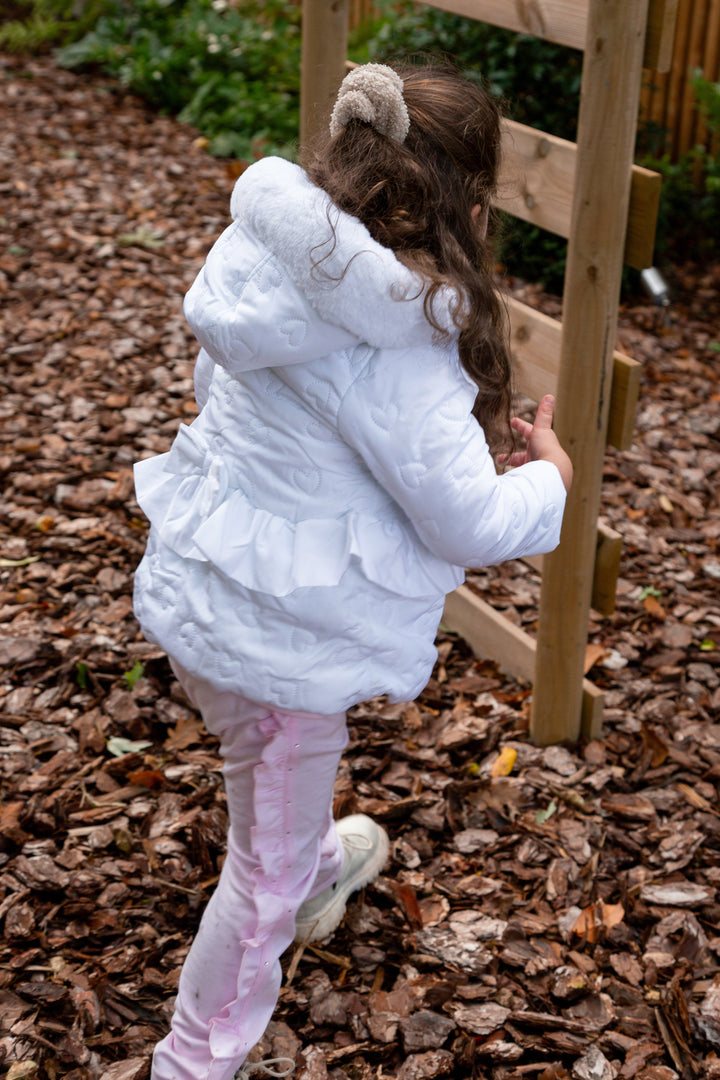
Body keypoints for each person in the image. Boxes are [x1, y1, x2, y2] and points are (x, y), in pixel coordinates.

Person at [132, 61, 572, 1080]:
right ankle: (193, 1058)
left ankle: (318, 863)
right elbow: (463, 519)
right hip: (274, 641)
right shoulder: (405, 346)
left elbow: (243, 392)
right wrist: (546, 482)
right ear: (464, 204)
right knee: (262, 872)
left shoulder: (266, 254)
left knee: (273, 764)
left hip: (205, 575)